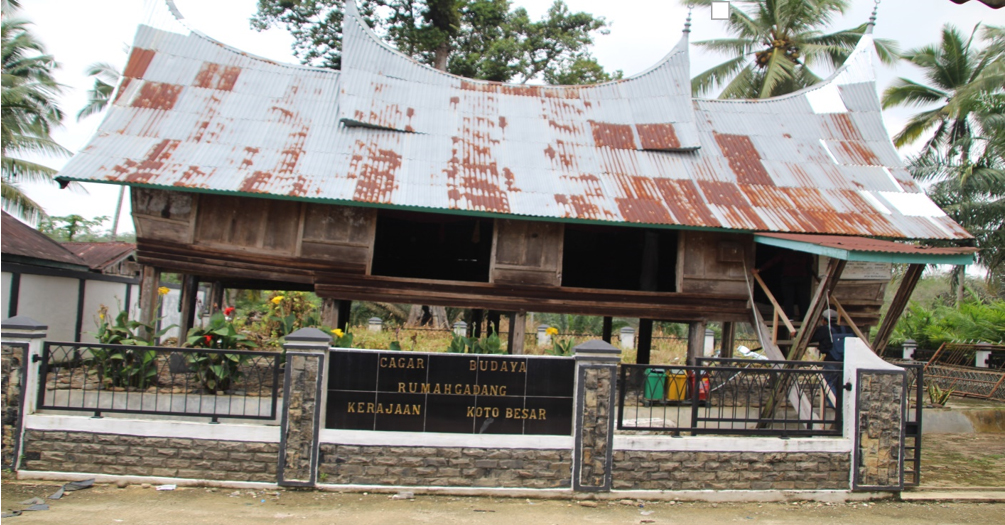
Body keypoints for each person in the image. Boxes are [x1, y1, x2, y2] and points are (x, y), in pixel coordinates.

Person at [811, 309, 854, 406]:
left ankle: (837, 406)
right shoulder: (846, 329)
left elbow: (810, 338)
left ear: (824, 320)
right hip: (845, 360)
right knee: (842, 384)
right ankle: (845, 406)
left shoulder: (824, 330)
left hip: (831, 360)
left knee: (828, 383)